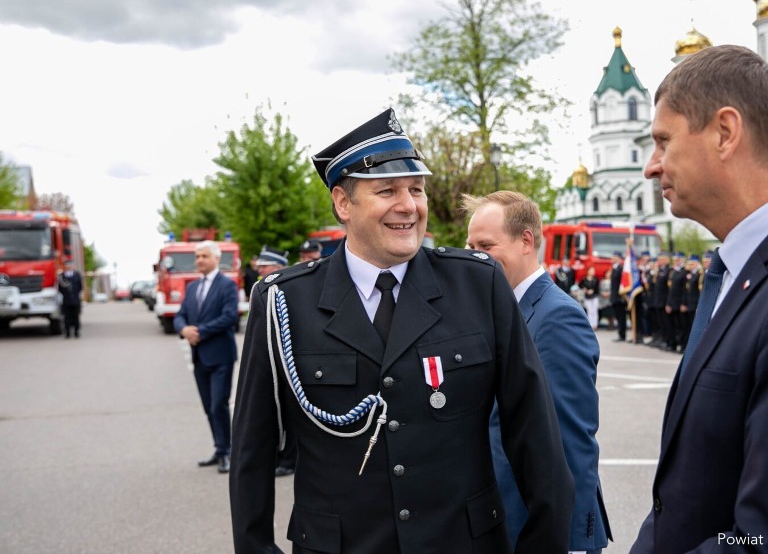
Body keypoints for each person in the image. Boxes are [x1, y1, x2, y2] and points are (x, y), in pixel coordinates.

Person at [230, 108, 573, 553]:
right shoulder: (283, 302)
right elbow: (252, 456)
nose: (409, 205)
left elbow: (536, 436)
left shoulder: (477, 284)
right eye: (387, 190)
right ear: (343, 203)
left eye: (416, 189)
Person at [631, 45, 768, 554]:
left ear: (725, 133)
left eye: (663, 141)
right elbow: (686, 494)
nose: (651, 166)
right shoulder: (740, 270)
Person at [463, 190, 612, 554]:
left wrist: (571, 542)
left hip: (542, 533)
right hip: (503, 524)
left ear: (525, 241)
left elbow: (569, 442)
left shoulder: (556, 317)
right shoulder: (502, 309)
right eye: (469, 245)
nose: (472, 256)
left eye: (485, 245)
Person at [174, 240, 239, 475]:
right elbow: (180, 315)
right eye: (197, 256)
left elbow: (229, 317)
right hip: (199, 357)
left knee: (218, 404)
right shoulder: (193, 288)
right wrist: (183, 330)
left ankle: (228, 452)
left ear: (215, 259)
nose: (199, 260)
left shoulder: (227, 286)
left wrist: (199, 331)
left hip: (220, 355)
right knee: (208, 407)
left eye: (203, 256)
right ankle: (219, 447)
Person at [253, 245, 297, 478]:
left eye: (265, 265)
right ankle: (279, 454)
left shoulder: (289, 288)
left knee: (289, 410)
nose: (260, 268)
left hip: (289, 359)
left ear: (278, 267)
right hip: (270, 356)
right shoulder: (264, 289)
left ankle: (289, 459)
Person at [57, 259, 83, 338]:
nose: (69, 267)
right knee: (66, 317)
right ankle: (67, 332)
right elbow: (60, 288)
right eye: (67, 265)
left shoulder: (77, 275)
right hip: (66, 300)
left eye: (70, 265)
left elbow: (80, 287)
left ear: (73, 266)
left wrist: (76, 295)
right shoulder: (62, 276)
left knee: (75, 316)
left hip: (75, 300)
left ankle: (76, 331)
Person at [609, 251, 627, 341]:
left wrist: (621, 296)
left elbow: (622, 284)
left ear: (619, 258)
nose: (612, 259)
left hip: (619, 298)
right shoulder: (614, 268)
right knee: (618, 316)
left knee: (621, 317)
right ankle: (620, 333)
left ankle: (622, 335)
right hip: (614, 297)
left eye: (614, 257)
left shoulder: (621, 269)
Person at [579, 266, 600, 330]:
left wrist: (593, 291)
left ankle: (595, 325)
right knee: (589, 311)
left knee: (595, 311)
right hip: (587, 297)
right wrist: (585, 289)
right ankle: (590, 325)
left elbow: (597, 288)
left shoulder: (596, 279)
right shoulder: (584, 279)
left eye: (593, 271)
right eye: (591, 271)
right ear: (588, 271)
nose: (592, 272)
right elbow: (580, 286)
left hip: (594, 296)